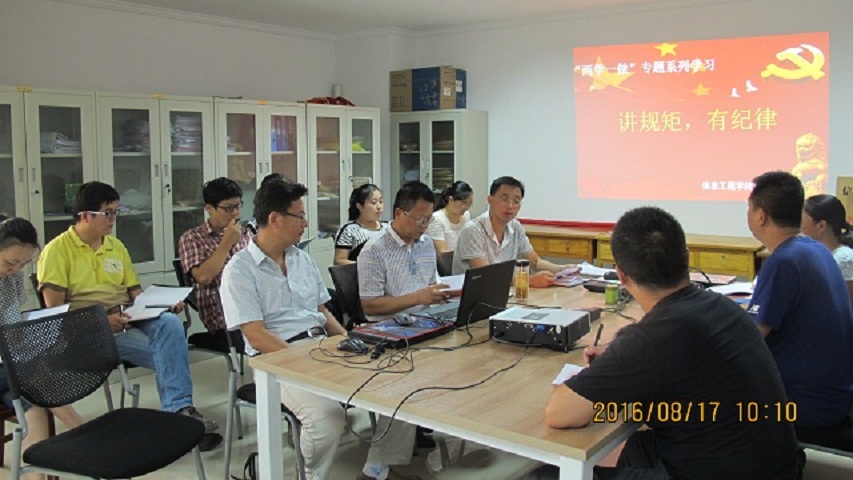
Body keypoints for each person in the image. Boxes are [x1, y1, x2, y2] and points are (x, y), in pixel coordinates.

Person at [541, 206, 798, 480]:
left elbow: (559, 413)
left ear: (621, 275)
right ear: (686, 257)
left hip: (719, 472)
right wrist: (621, 361)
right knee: (631, 448)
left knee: (546, 473)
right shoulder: (722, 307)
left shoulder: (652, 337)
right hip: (776, 466)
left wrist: (619, 362)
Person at [36, 182, 221, 445]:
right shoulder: (57, 250)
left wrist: (160, 304)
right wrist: (101, 323)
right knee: (171, 352)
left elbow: (134, 291)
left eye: (116, 212)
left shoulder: (115, 246)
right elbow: (55, 315)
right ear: (85, 216)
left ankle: (178, 412)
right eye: (107, 213)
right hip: (89, 332)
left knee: (170, 322)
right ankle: (180, 414)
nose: (114, 219)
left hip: (127, 316)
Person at [219, 180, 347, 480]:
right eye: (299, 216)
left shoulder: (301, 258)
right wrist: (303, 363)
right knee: (326, 418)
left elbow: (322, 311)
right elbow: (256, 335)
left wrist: (348, 340)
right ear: (275, 219)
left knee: (388, 382)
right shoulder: (240, 270)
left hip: (319, 347)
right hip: (276, 360)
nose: (305, 223)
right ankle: (308, 475)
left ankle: (379, 466)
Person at [746, 171, 853, 431]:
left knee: (701, 406)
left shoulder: (783, 262)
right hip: (834, 397)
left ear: (761, 216)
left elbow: (749, 339)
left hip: (803, 405)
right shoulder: (817, 250)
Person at [356, 181, 448, 480]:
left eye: (429, 219)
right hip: (388, 330)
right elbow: (370, 305)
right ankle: (376, 467)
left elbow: (430, 286)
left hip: (426, 321)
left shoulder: (425, 244)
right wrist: (418, 297)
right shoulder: (375, 250)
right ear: (399, 213)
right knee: (409, 377)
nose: (424, 226)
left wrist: (441, 295)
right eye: (419, 219)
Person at [0, 216, 86, 479]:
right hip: (7, 365)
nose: (16, 270)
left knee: (33, 404)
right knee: (35, 374)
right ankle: (82, 430)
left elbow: (12, 319)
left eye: (24, 264)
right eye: (11, 263)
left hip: (9, 365)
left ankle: (35, 475)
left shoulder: (11, 276)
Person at [452, 176, 574, 284]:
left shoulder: (515, 227)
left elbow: (535, 262)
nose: (510, 206)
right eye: (504, 199)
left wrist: (564, 270)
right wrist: (529, 280)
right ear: (490, 200)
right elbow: (485, 275)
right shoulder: (473, 230)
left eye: (516, 201)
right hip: (469, 297)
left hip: (502, 293)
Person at [178, 177, 251, 336]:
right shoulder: (192, 238)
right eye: (228, 208)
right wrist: (227, 242)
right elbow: (204, 277)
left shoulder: (246, 234)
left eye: (238, 206)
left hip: (253, 306)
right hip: (224, 316)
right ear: (209, 208)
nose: (235, 213)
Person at [801, 193, 853, 303]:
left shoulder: (844, 258)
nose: (800, 227)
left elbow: (844, 303)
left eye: (802, 221)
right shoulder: (817, 254)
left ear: (821, 226)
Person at [334, 183, 387, 264]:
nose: (379, 206)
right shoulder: (349, 230)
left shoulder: (388, 228)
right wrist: (366, 265)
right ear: (359, 206)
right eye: (373, 202)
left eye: (381, 202)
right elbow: (339, 261)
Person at [426, 180, 473, 253]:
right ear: (451, 200)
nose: (467, 207)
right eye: (464, 203)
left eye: (470, 204)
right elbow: (442, 253)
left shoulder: (466, 215)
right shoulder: (436, 219)